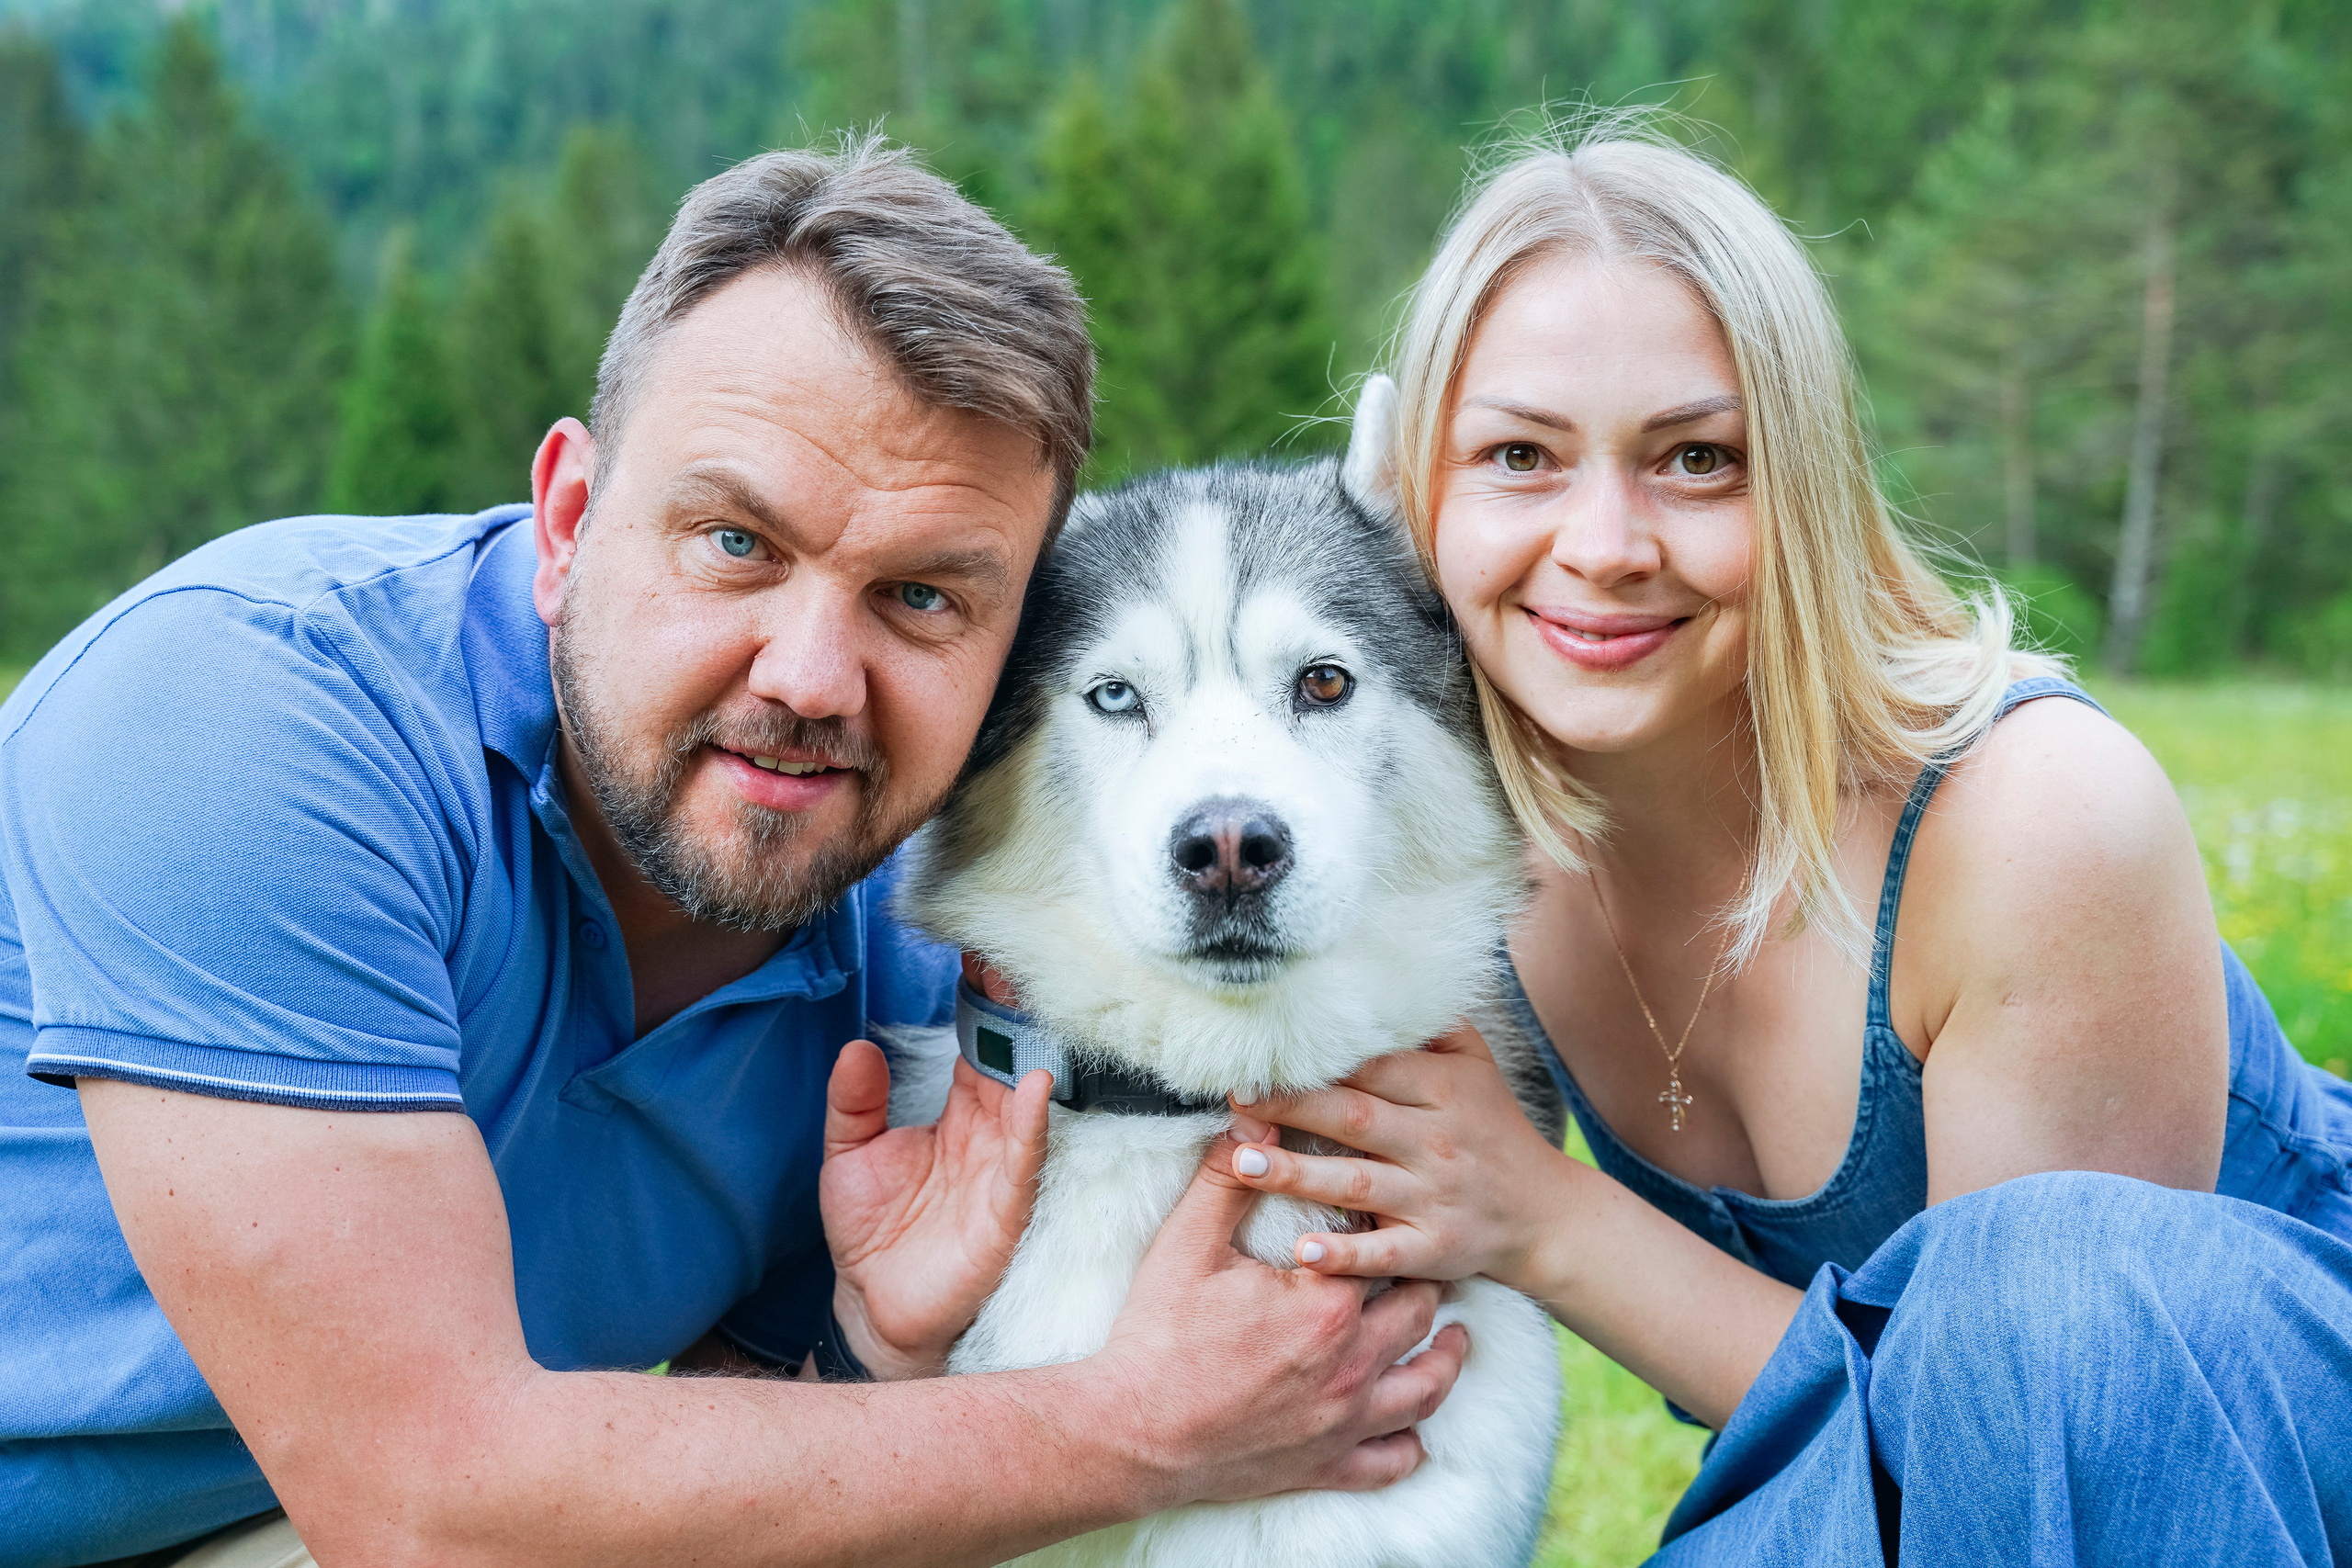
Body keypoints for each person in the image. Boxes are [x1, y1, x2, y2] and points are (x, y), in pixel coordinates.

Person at [0, 138, 1467, 1568]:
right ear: (570, 519)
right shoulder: (245, 724)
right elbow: (431, 1512)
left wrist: (875, 1345)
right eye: (736, 544)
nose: (814, 679)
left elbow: (712, 1491)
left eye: (921, 597)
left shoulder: (906, 957)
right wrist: (1134, 1427)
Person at [1227, 127, 2352, 1563]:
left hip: (2248, 1462)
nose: (1606, 544)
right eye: (1520, 457)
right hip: (1864, 1483)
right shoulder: (1454, 855)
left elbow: (2030, 1437)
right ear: (1417, 496)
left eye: (1697, 460)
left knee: (2043, 1288)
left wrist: (1546, 1219)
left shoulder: (2032, 820)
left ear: (1802, 487)